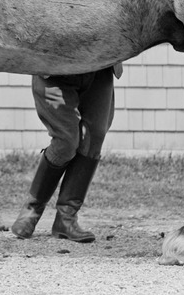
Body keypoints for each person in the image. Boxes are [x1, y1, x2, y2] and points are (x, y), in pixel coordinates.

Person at [10, 63, 121, 243]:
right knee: (66, 141)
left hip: (100, 65)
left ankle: (66, 219)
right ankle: (31, 211)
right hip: (55, 67)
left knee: (94, 137)